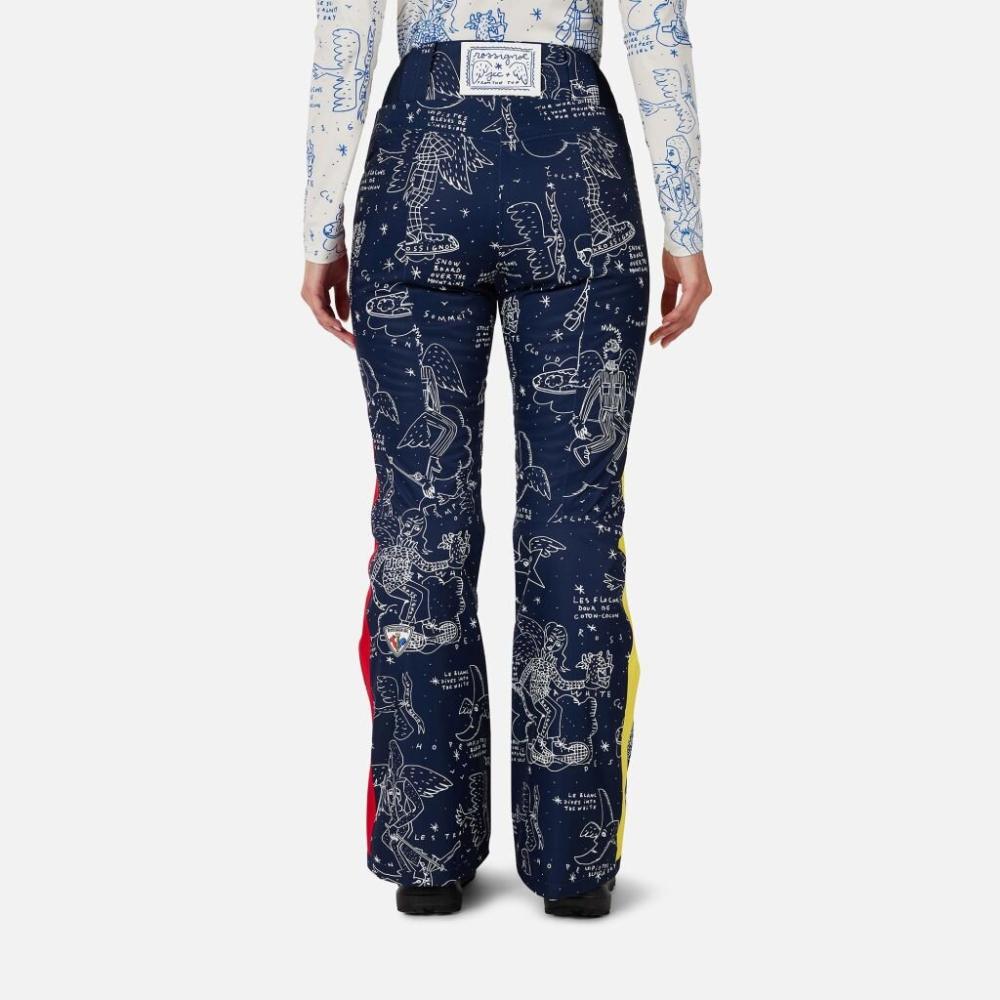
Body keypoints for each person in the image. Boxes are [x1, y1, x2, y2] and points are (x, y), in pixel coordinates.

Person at [300, 0, 711, 918]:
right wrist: (684, 229)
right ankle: (575, 865)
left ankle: (426, 858)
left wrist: (320, 228)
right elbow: (656, 32)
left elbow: (343, 37)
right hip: (577, 179)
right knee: (577, 526)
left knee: (421, 522)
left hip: (419, 169)